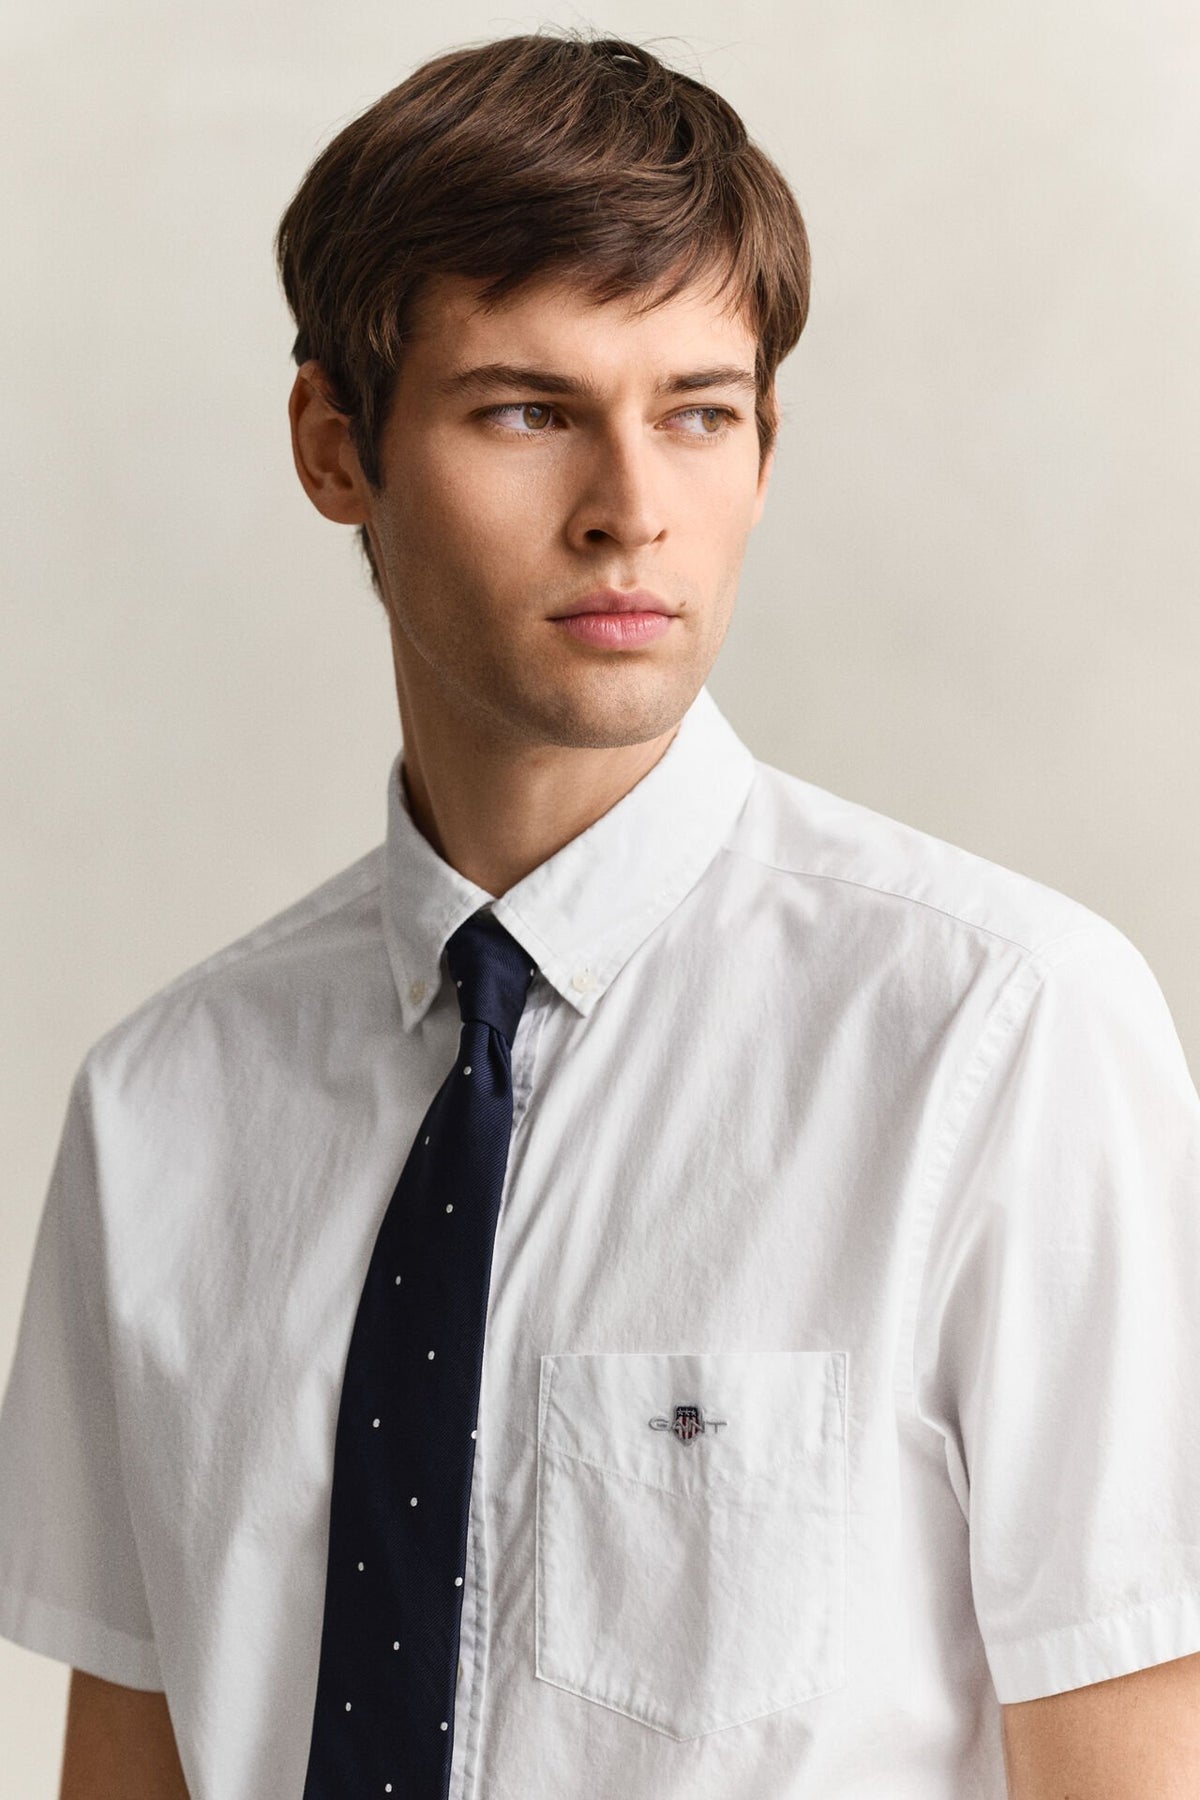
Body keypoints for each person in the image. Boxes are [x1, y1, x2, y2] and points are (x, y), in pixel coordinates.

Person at [2, 29, 1199, 1800]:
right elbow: (130, 1764)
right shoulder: (159, 1108)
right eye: (528, 411)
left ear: (764, 448)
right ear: (337, 447)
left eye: (699, 413)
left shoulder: (1005, 1037)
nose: (632, 512)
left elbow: (1134, 1760)